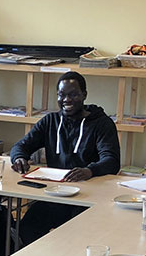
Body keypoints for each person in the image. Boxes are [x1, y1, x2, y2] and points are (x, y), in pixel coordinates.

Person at [10, 71, 120, 244]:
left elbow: (111, 161)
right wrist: (19, 158)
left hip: (88, 198)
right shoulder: (50, 121)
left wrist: (89, 171)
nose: (66, 100)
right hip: (55, 194)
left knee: (77, 237)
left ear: (84, 95)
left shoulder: (101, 124)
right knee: (26, 228)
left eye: (73, 94)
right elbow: (21, 146)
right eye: (61, 95)